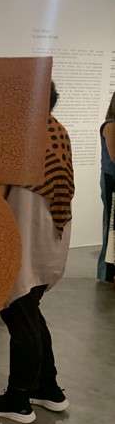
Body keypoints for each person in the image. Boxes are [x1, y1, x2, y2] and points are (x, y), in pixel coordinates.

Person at [0, 82, 74, 424]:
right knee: (29, 312)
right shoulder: (55, 129)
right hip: (49, 237)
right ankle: (48, 388)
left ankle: (18, 399)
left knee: (19, 313)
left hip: (27, 237)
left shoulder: (22, 137)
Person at [97, 92, 115, 283]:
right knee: (111, 226)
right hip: (112, 180)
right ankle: (106, 272)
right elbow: (114, 156)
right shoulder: (110, 125)